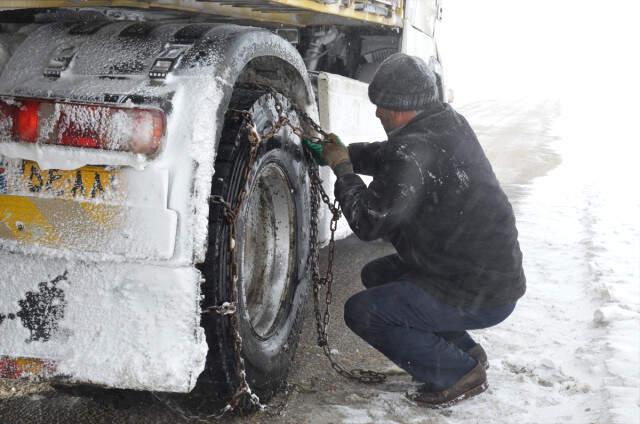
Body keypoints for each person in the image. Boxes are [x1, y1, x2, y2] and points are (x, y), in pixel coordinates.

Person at [304, 53, 526, 408]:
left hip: (481, 292)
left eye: (385, 107)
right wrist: (346, 153)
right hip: (483, 275)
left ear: (407, 106)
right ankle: (463, 349)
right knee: (377, 274)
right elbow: (390, 155)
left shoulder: (412, 151)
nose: (379, 113)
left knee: (364, 311)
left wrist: (343, 170)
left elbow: (368, 221)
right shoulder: (446, 121)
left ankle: (456, 372)